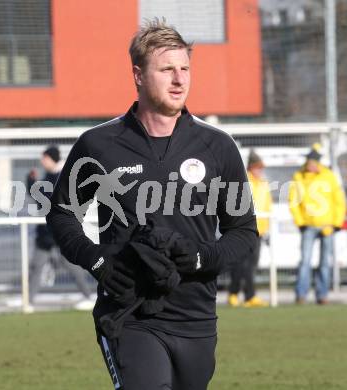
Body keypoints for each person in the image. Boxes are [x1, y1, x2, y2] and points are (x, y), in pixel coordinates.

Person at [46, 19, 257, 390]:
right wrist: (99, 261)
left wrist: (199, 258)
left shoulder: (218, 146)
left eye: (185, 69)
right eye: (167, 70)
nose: (179, 80)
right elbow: (63, 216)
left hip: (196, 317)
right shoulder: (98, 145)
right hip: (129, 314)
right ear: (138, 75)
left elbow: (243, 231)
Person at [27, 146, 94, 311]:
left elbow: (48, 200)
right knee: (36, 266)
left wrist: (34, 186)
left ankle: (88, 296)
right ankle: (28, 302)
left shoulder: (63, 175)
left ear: (52, 158)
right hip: (45, 234)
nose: (42, 162)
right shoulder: (48, 176)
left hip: (60, 230)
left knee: (71, 266)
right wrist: (31, 183)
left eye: (45, 158)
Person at [289, 143, 346, 304]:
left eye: (313, 162)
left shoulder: (328, 176)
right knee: (305, 261)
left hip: (327, 226)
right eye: (309, 162)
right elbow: (294, 201)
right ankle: (301, 294)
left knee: (324, 263)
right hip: (308, 226)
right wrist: (300, 223)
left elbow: (338, 201)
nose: (311, 165)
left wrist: (335, 224)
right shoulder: (299, 176)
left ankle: (322, 295)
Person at [228, 149, 271, 307]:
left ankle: (249, 296)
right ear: (251, 167)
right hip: (244, 229)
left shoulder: (263, 183)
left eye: (261, 167)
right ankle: (235, 294)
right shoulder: (244, 181)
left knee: (252, 264)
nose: (260, 170)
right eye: (258, 167)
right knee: (241, 264)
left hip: (259, 230)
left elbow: (267, 206)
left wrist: (267, 228)